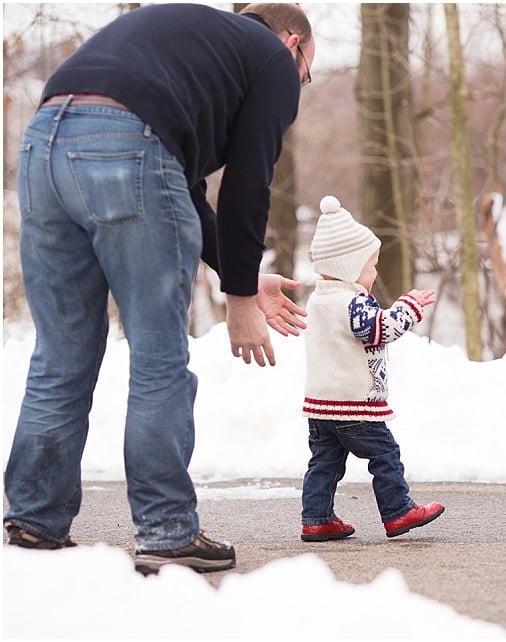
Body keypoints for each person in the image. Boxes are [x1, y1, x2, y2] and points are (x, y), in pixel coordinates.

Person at [4, 3, 315, 573]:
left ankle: (33, 523)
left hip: (44, 141)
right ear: (294, 42)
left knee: (61, 353)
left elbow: (185, 188)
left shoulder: (193, 47)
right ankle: (167, 530)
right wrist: (241, 299)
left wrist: (238, 273)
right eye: (306, 74)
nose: (297, 87)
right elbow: (248, 182)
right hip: (130, 145)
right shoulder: (272, 58)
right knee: (158, 354)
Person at [299, 195, 444, 541]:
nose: (375, 272)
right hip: (355, 406)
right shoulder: (351, 302)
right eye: (371, 265)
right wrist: (407, 307)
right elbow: (379, 330)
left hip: (321, 407)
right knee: (384, 453)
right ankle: (398, 511)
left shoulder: (319, 299)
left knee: (324, 463)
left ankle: (316, 519)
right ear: (350, 266)